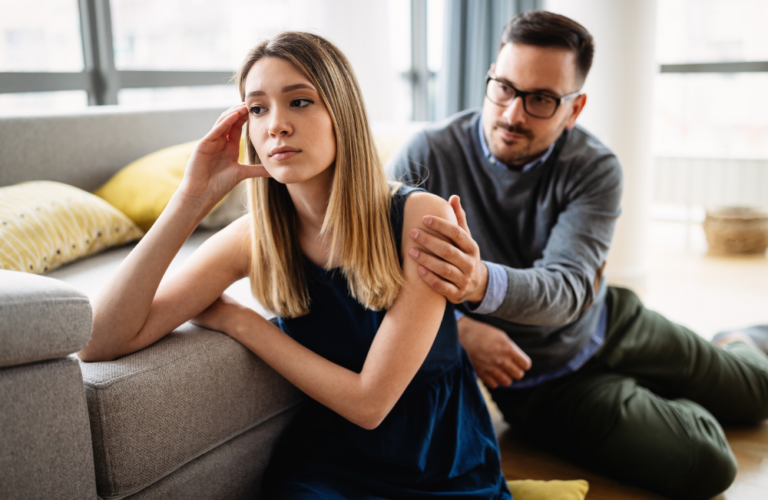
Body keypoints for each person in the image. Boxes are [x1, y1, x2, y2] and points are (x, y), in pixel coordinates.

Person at [78, 32, 511, 499]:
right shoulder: (253, 238)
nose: (276, 125)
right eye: (258, 109)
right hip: (335, 461)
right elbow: (98, 341)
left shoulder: (418, 218)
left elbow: (370, 403)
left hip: (441, 457)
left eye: (300, 101)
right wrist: (189, 200)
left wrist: (242, 323)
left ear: (341, 114)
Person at [387, 10, 768, 500]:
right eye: (503, 87)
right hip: (545, 381)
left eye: (541, 99)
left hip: (613, 319)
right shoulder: (426, 157)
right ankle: (655, 394)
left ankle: (736, 341)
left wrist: (478, 284)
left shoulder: (595, 168)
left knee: (758, 392)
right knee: (707, 463)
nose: (513, 114)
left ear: (575, 108)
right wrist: (457, 332)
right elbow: (382, 281)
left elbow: (567, 288)